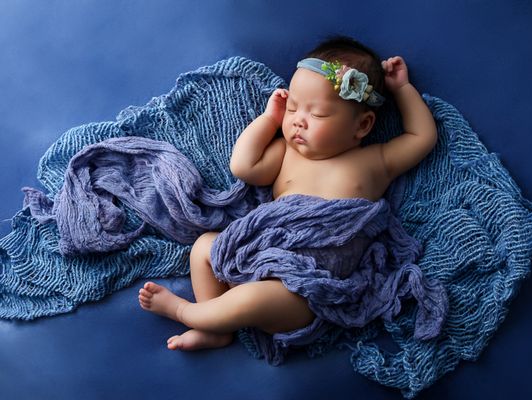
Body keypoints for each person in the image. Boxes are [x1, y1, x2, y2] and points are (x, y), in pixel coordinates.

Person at [138, 36, 438, 351]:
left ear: (362, 125)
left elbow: (422, 136)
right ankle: (216, 329)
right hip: (255, 255)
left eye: (317, 115)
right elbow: (244, 166)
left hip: (304, 292)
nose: (298, 121)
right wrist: (269, 119)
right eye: (293, 107)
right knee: (204, 247)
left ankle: (186, 311)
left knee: (250, 299)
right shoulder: (286, 154)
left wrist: (402, 90)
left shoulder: (376, 161)